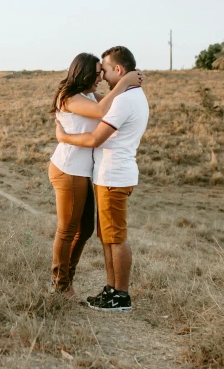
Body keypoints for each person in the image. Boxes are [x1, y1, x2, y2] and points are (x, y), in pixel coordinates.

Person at [55, 46, 149, 311]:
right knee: (105, 235)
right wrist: (126, 82)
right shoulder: (128, 95)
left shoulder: (124, 99)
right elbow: (99, 109)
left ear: (117, 69)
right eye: (98, 73)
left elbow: (96, 138)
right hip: (99, 172)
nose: (103, 77)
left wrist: (64, 137)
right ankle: (109, 289)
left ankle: (120, 295)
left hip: (112, 175)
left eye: (105, 71)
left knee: (114, 237)